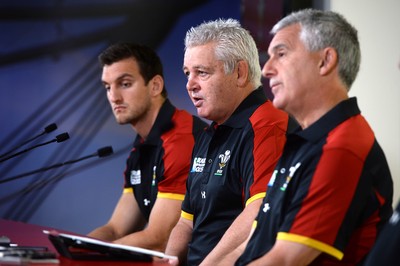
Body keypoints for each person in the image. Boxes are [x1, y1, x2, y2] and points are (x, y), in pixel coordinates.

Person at [228, 9, 393, 265]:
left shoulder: (342, 147)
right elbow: (254, 243)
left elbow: (283, 261)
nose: (266, 69)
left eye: (281, 54)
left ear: (325, 61)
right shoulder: (305, 141)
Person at [165, 19, 292, 265]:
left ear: (240, 73)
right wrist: (166, 262)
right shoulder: (209, 133)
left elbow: (258, 214)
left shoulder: (267, 125)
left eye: (202, 72)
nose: (190, 85)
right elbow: (186, 221)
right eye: (187, 73)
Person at [87, 42, 207, 252]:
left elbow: (159, 240)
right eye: (108, 87)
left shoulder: (181, 138)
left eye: (124, 84)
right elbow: (116, 229)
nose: (114, 97)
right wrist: (76, 247)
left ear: (155, 86)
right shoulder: (141, 147)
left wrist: (93, 254)